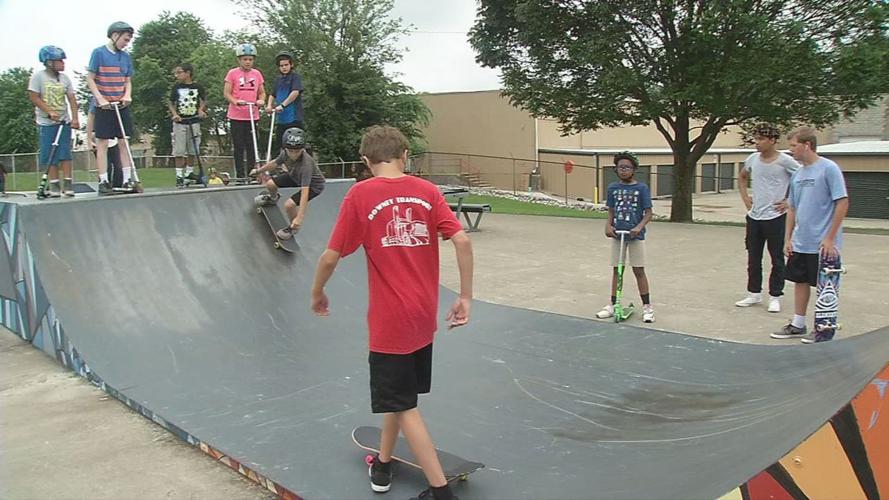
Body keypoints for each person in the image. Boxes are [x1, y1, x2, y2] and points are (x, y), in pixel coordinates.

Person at [311, 125, 473, 500]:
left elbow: (331, 255)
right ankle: (383, 463)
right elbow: (461, 240)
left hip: (390, 322)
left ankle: (440, 491)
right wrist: (465, 296)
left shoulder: (361, 194)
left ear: (366, 162)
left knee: (403, 404)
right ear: (405, 155)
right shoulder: (427, 191)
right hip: (422, 316)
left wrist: (317, 292)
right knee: (397, 398)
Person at [771, 127, 849, 343]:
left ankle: (823, 328)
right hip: (801, 241)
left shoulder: (828, 169)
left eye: (794, 146)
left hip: (823, 243)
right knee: (800, 281)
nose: (791, 150)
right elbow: (793, 208)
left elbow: (842, 202)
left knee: (825, 286)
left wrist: (830, 237)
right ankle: (798, 324)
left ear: (807, 145)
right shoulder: (797, 175)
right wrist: (788, 238)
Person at [735, 124, 799, 312]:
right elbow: (743, 177)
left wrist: (788, 201)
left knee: (776, 258)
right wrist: (745, 197)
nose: (757, 143)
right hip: (755, 217)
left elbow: (801, 178)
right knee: (753, 257)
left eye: (761, 139)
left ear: (772, 140)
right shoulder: (753, 159)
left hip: (776, 217)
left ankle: (775, 295)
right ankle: (753, 293)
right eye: (756, 139)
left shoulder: (785, 161)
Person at [596, 151, 654, 323]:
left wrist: (639, 227)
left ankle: (647, 307)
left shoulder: (641, 188)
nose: (624, 170)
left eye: (627, 167)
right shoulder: (613, 188)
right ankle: (614, 304)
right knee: (617, 269)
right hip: (617, 235)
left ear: (634, 169)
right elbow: (611, 211)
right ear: (616, 169)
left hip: (635, 236)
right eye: (620, 167)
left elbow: (649, 213)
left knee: (638, 270)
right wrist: (608, 225)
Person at [87, 21, 136, 195]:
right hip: (104, 105)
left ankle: (127, 179)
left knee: (124, 142)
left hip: (120, 104)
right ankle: (103, 180)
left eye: (129, 40)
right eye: (125, 39)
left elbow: (127, 80)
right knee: (102, 143)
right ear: (115, 36)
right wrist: (100, 98)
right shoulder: (98, 53)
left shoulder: (125, 56)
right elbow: (90, 78)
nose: (126, 43)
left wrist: (127, 95)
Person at [251, 127, 325, 240]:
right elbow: (274, 163)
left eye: (297, 151)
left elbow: (304, 194)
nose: (294, 154)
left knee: (289, 205)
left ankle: (293, 228)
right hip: (295, 176)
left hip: (313, 186)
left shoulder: (306, 165)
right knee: (270, 184)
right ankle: (273, 198)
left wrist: (299, 218)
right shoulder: (285, 153)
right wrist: (258, 171)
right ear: (286, 148)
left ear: (303, 149)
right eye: (291, 151)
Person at [27, 45, 80, 197]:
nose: (63, 63)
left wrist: (75, 118)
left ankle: (68, 183)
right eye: (59, 61)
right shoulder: (38, 77)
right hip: (46, 122)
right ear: (49, 62)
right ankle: (54, 184)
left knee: (65, 153)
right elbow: (34, 97)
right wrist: (48, 111)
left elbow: (71, 98)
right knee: (50, 154)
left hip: (64, 122)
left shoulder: (65, 78)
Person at [223, 43, 265, 180]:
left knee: (252, 146)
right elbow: (226, 93)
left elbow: (262, 93)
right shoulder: (232, 73)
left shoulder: (257, 74)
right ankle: (240, 176)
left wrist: (261, 101)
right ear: (239, 60)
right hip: (237, 116)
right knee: (239, 147)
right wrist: (236, 101)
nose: (248, 62)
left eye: (250, 59)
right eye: (245, 59)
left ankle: (252, 174)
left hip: (252, 116)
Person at [169, 63, 207, 187]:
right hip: (180, 122)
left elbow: (203, 100)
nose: (177, 75)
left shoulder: (197, 87)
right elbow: (171, 102)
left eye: (179, 72)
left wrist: (201, 110)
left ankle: (189, 173)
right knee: (179, 150)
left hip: (194, 121)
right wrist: (175, 114)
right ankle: (179, 175)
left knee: (193, 149)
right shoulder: (176, 88)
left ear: (188, 73)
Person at [265, 51, 304, 150]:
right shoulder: (278, 79)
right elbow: (272, 94)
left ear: (291, 64)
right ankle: (282, 165)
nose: (284, 67)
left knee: (295, 146)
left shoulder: (295, 77)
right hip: (281, 120)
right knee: (281, 146)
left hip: (294, 119)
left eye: (286, 65)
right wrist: (269, 106)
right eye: (281, 65)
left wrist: (283, 105)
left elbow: (295, 92)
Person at [86, 97, 124, 188]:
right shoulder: (96, 100)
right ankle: (104, 184)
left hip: (113, 136)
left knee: (118, 165)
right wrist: (89, 139)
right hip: (100, 135)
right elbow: (90, 119)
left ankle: (118, 186)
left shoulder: (118, 97)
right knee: (106, 166)